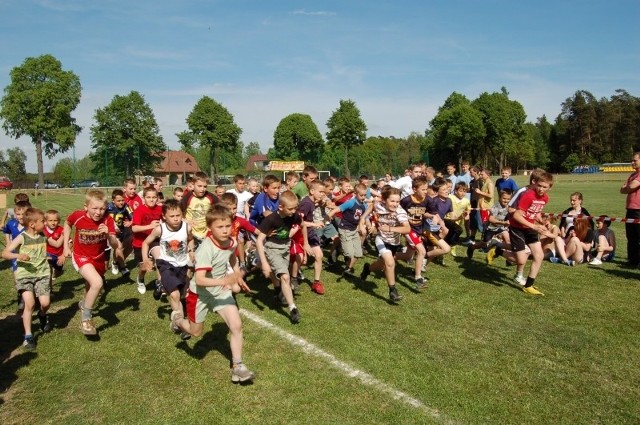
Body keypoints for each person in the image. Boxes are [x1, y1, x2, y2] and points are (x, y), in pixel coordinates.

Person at [170, 205, 255, 383]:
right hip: (199, 295)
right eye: (220, 227)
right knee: (196, 332)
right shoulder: (206, 249)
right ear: (210, 228)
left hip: (220, 293)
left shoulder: (231, 241)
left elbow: (231, 254)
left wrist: (236, 275)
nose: (225, 230)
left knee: (236, 325)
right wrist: (225, 281)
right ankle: (177, 320)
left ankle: (238, 366)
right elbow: (200, 279)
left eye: (228, 226)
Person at [62, 189, 121, 335]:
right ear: (86, 207)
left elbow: (115, 245)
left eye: (102, 208)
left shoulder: (108, 220)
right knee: (97, 283)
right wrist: (65, 245)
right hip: (81, 256)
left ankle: (83, 304)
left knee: (91, 287)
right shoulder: (78, 216)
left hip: (99, 257)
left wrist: (108, 234)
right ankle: (86, 320)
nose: (98, 212)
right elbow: (67, 223)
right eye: (94, 208)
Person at [2, 208, 52, 349]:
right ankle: (28, 336)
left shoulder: (43, 235)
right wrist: (18, 256)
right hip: (24, 275)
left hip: (42, 274)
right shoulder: (21, 237)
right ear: (32, 224)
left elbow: (55, 244)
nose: (46, 223)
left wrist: (66, 247)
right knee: (29, 303)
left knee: (45, 303)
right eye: (43, 221)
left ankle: (42, 315)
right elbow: (5, 253)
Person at [142, 200, 195, 329]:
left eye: (178, 215)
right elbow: (145, 243)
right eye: (172, 216)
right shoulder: (160, 229)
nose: (176, 219)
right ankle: (181, 324)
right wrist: (146, 259)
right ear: (164, 217)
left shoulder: (186, 227)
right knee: (175, 294)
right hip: (165, 265)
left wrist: (191, 250)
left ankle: (161, 287)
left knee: (182, 295)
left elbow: (190, 239)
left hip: (182, 266)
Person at [502, 171, 555, 296]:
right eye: (539, 186)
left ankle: (528, 285)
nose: (541, 189)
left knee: (539, 256)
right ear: (535, 184)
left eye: (545, 187)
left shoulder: (545, 198)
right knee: (521, 260)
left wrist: (541, 221)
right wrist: (534, 226)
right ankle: (498, 250)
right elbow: (516, 215)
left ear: (550, 188)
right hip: (518, 228)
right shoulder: (528, 195)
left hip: (531, 228)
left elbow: (534, 211)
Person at [256, 191, 303, 323]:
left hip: (285, 248)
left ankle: (277, 290)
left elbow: (300, 223)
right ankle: (293, 309)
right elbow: (260, 241)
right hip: (272, 249)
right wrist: (264, 263)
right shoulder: (271, 219)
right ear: (281, 207)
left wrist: (292, 233)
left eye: (295, 208)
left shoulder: (294, 215)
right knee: (285, 276)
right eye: (291, 208)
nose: (294, 211)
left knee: (278, 274)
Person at [359, 186, 410, 302]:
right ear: (384, 200)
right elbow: (372, 206)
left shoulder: (400, 212)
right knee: (390, 263)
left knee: (382, 263)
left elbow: (407, 229)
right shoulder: (379, 205)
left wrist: (391, 229)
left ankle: (368, 269)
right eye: (392, 201)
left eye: (398, 201)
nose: (395, 204)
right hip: (381, 239)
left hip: (394, 242)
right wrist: (363, 219)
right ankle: (393, 291)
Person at [398, 176, 445, 288]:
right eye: (423, 189)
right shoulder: (406, 201)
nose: (425, 191)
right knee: (422, 251)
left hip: (420, 229)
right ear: (414, 189)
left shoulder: (428, 200)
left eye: (426, 189)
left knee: (408, 255)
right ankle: (418, 277)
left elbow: (428, 213)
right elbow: (398, 212)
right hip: (409, 229)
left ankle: (388, 257)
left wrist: (433, 217)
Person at [328, 183, 367, 277]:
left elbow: (362, 218)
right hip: (345, 229)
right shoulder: (351, 202)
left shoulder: (363, 205)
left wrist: (361, 226)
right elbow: (338, 209)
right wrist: (328, 216)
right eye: (361, 195)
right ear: (355, 194)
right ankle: (338, 249)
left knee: (358, 253)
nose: (363, 197)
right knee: (349, 253)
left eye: (365, 195)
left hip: (354, 230)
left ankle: (347, 269)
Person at [298, 180, 328, 295]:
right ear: (312, 191)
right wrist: (315, 224)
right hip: (301, 234)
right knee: (301, 260)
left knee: (319, 255)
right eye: (320, 192)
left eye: (323, 192)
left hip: (310, 233)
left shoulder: (312, 202)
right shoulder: (306, 203)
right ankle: (291, 277)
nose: (322, 194)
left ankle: (316, 282)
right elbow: (300, 223)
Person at [131, 187, 163, 294]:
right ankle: (140, 279)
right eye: (148, 197)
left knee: (159, 261)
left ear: (157, 198)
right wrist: (150, 226)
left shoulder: (160, 209)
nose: (151, 199)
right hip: (139, 243)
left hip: (154, 241)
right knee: (144, 267)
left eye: (154, 197)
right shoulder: (139, 210)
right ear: (144, 198)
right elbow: (134, 228)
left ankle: (160, 284)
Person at [467, 190, 512, 265]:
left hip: (500, 228)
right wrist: (503, 222)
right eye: (504, 198)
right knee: (485, 245)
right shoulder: (496, 207)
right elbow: (491, 219)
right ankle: (472, 247)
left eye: (508, 199)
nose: (506, 200)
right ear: (499, 197)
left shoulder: (508, 206)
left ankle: (509, 259)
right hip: (490, 228)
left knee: (508, 240)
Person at [3, 199, 30, 311]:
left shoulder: (31, 226)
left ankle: (30, 296)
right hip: (15, 254)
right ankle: (21, 296)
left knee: (28, 276)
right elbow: (6, 231)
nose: (20, 216)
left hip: (29, 255)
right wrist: (8, 243)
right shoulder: (11, 223)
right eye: (18, 214)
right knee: (17, 277)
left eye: (23, 214)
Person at [180, 172, 218, 247]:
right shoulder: (188, 197)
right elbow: (178, 212)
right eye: (199, 186)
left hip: (206, 232)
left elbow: (219, 210)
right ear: (193, 184)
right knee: (192, 255)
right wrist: (185, 221)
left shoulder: (210, 197)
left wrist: (212, 222)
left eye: (205, 186)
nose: (202, 189)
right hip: (191, 233)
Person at [106, 189, 132, 276]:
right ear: (113, 200)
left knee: (129, 245)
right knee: (119, 247)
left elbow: (133, 216)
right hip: (111, 232)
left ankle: (115, 262)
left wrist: (130, 222)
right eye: (118, 201)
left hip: (122, 231)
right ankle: (123, 267)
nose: (121, 202)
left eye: (122, 200)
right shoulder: (108, 207)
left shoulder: (126, 206)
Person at [620, 152, 640, 267]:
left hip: (639, 210)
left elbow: (630, 187)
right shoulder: (632, 175)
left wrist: (627, 188)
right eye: (632, 160)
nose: (632, 162)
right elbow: (622, 189)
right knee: (631, 237)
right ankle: (632, 261)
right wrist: (627, 188)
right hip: (630, 209)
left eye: (635, 160)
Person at [43, 209, 65, 283]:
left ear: (58, 221)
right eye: (50, 220)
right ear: (45, 221)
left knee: (58, 271)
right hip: (48, 253)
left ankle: (56, 273)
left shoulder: (62, 229)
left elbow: (70, 242)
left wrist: (63, 255)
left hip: (59, 255)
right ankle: (49, 289)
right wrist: (63, 235)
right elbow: (56, 244)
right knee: (48, 272)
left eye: (55, 220)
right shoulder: (43, 231)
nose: (53, 223)